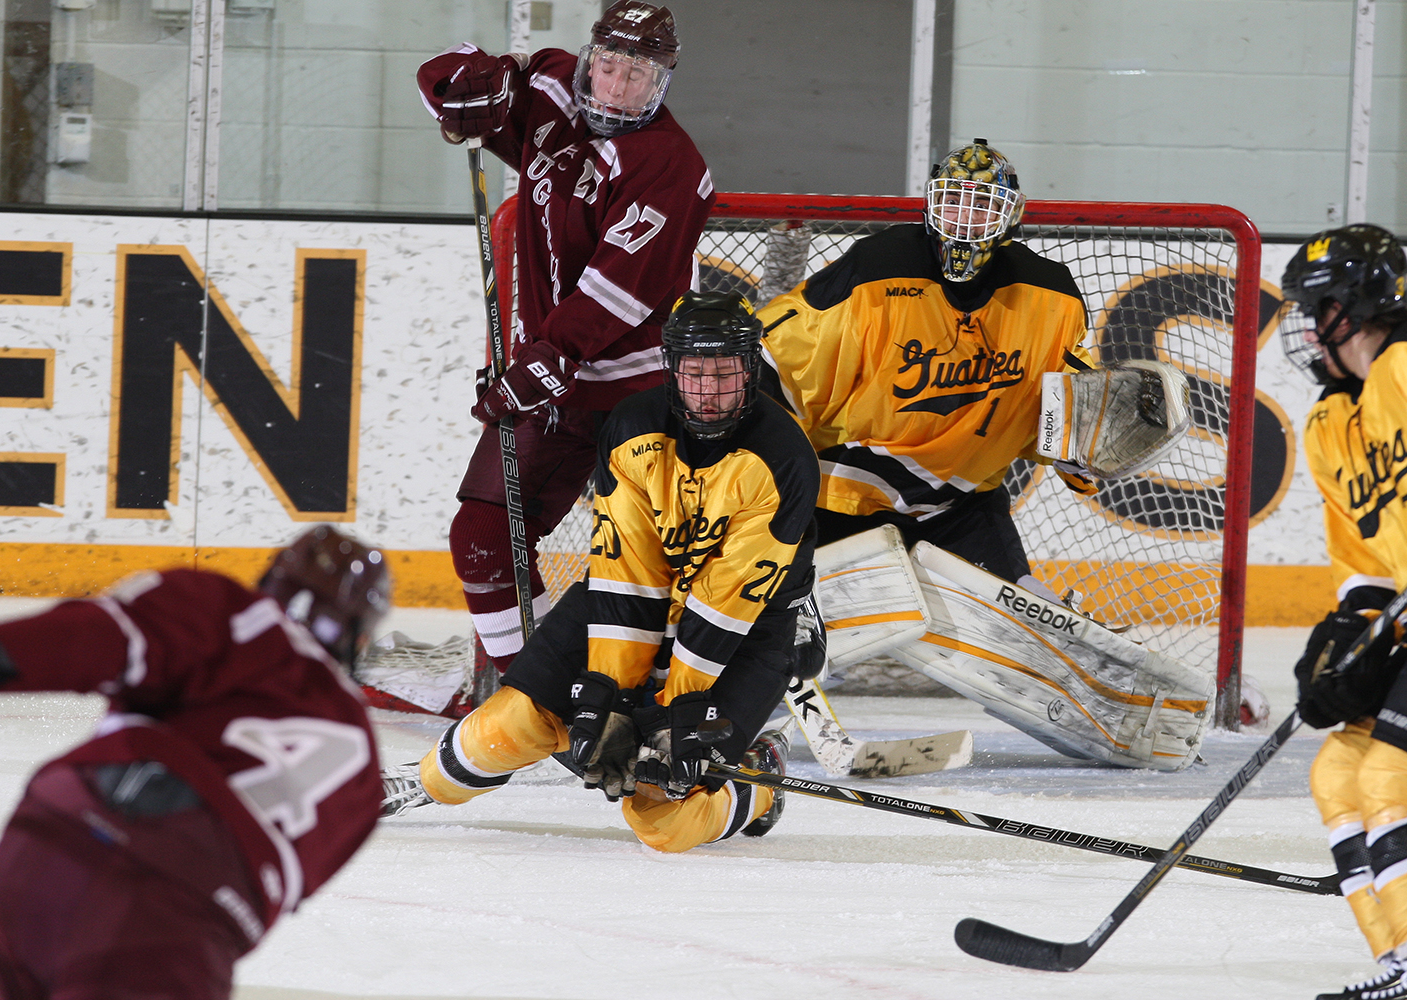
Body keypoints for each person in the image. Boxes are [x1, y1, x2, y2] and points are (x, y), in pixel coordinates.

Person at [380, 291, 821, 854]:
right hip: (638, 600)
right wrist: (606, 696)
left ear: (750, 371)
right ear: (670, 371)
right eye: (695, 374)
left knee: (663, 824)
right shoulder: (633, 427)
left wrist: (678, 712)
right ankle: (422, 782)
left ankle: (759, 782)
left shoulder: (782, 458)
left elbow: (725, 600)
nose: (709, 394)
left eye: (725, 374)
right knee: (510, 723)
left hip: (746, 627)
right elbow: (627, 570)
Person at [0, 526, 392, 1000]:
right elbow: (240, 897)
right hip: (179, 923)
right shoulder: (365, 778)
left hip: (47, 844)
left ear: (271, 582)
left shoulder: (236, 614)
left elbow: (100, 638)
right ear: (358, 637)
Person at [417, 1, 714, 678]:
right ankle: (534, 688)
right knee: (484, 538)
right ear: (590, 58)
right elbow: (471, 87)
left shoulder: (670, 164)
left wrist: (540, 364)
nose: (617, 85)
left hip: (639, 397)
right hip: (550, 379)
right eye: (609, 65)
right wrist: (463, 84)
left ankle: (676, 682)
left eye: (637, 74)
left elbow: (619, 290)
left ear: (661, 81)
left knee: (649, 557)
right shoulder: (553, 87)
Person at [754, 137, 1096, 588]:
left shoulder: (1052, 296)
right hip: (838, 499)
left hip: (961, 504)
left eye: (981, 207)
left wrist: (1092, 438)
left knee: (1023, 633)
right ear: (931, 205)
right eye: (953, 202)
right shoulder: (874, 271)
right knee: (794, 644)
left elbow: (1068, 405)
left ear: (1010, 216)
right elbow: (780, 363)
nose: (963, 220)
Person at [1281, 224, 1407, 1000]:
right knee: (1339, 772)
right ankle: (1395, 959)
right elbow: (1365, 562)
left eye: (1317, 308)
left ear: (1354, 307)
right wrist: (1346, 635)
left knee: (1391, 773)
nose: (1307, 328)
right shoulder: (1331, 425)